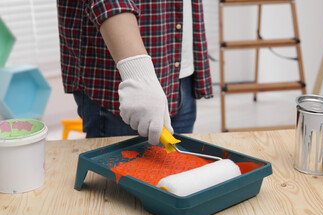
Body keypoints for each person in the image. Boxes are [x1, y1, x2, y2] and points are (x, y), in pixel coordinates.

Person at [57, 1, 213, 145]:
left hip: (182, 75)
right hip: (119, 83)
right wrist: (138, 74)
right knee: (117, 173)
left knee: (177, 170)